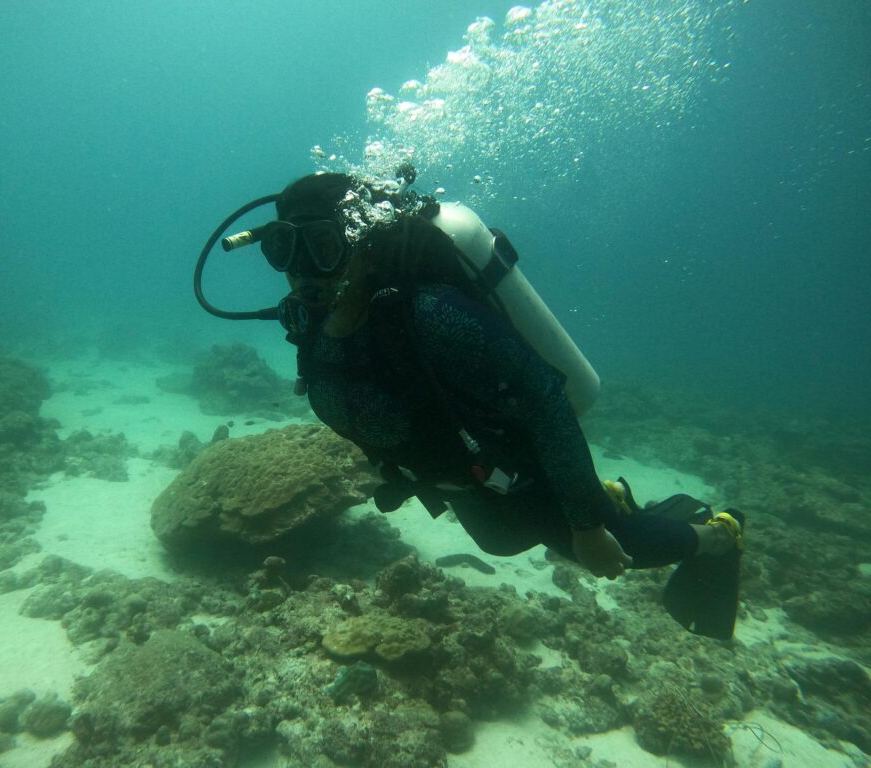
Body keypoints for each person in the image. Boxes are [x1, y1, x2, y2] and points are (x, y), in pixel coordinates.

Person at [202, 171, 745, 639]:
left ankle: (718, 535)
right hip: (451, 473)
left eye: (320, 246)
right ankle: (607, 497)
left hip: (515, 462)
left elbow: (544, 402)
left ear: (359, 244)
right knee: (501, 540)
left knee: (614, 549)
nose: (300, 269)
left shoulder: (430, 315)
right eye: (282, 248)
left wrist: (584, 524)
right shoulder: (313, 323)